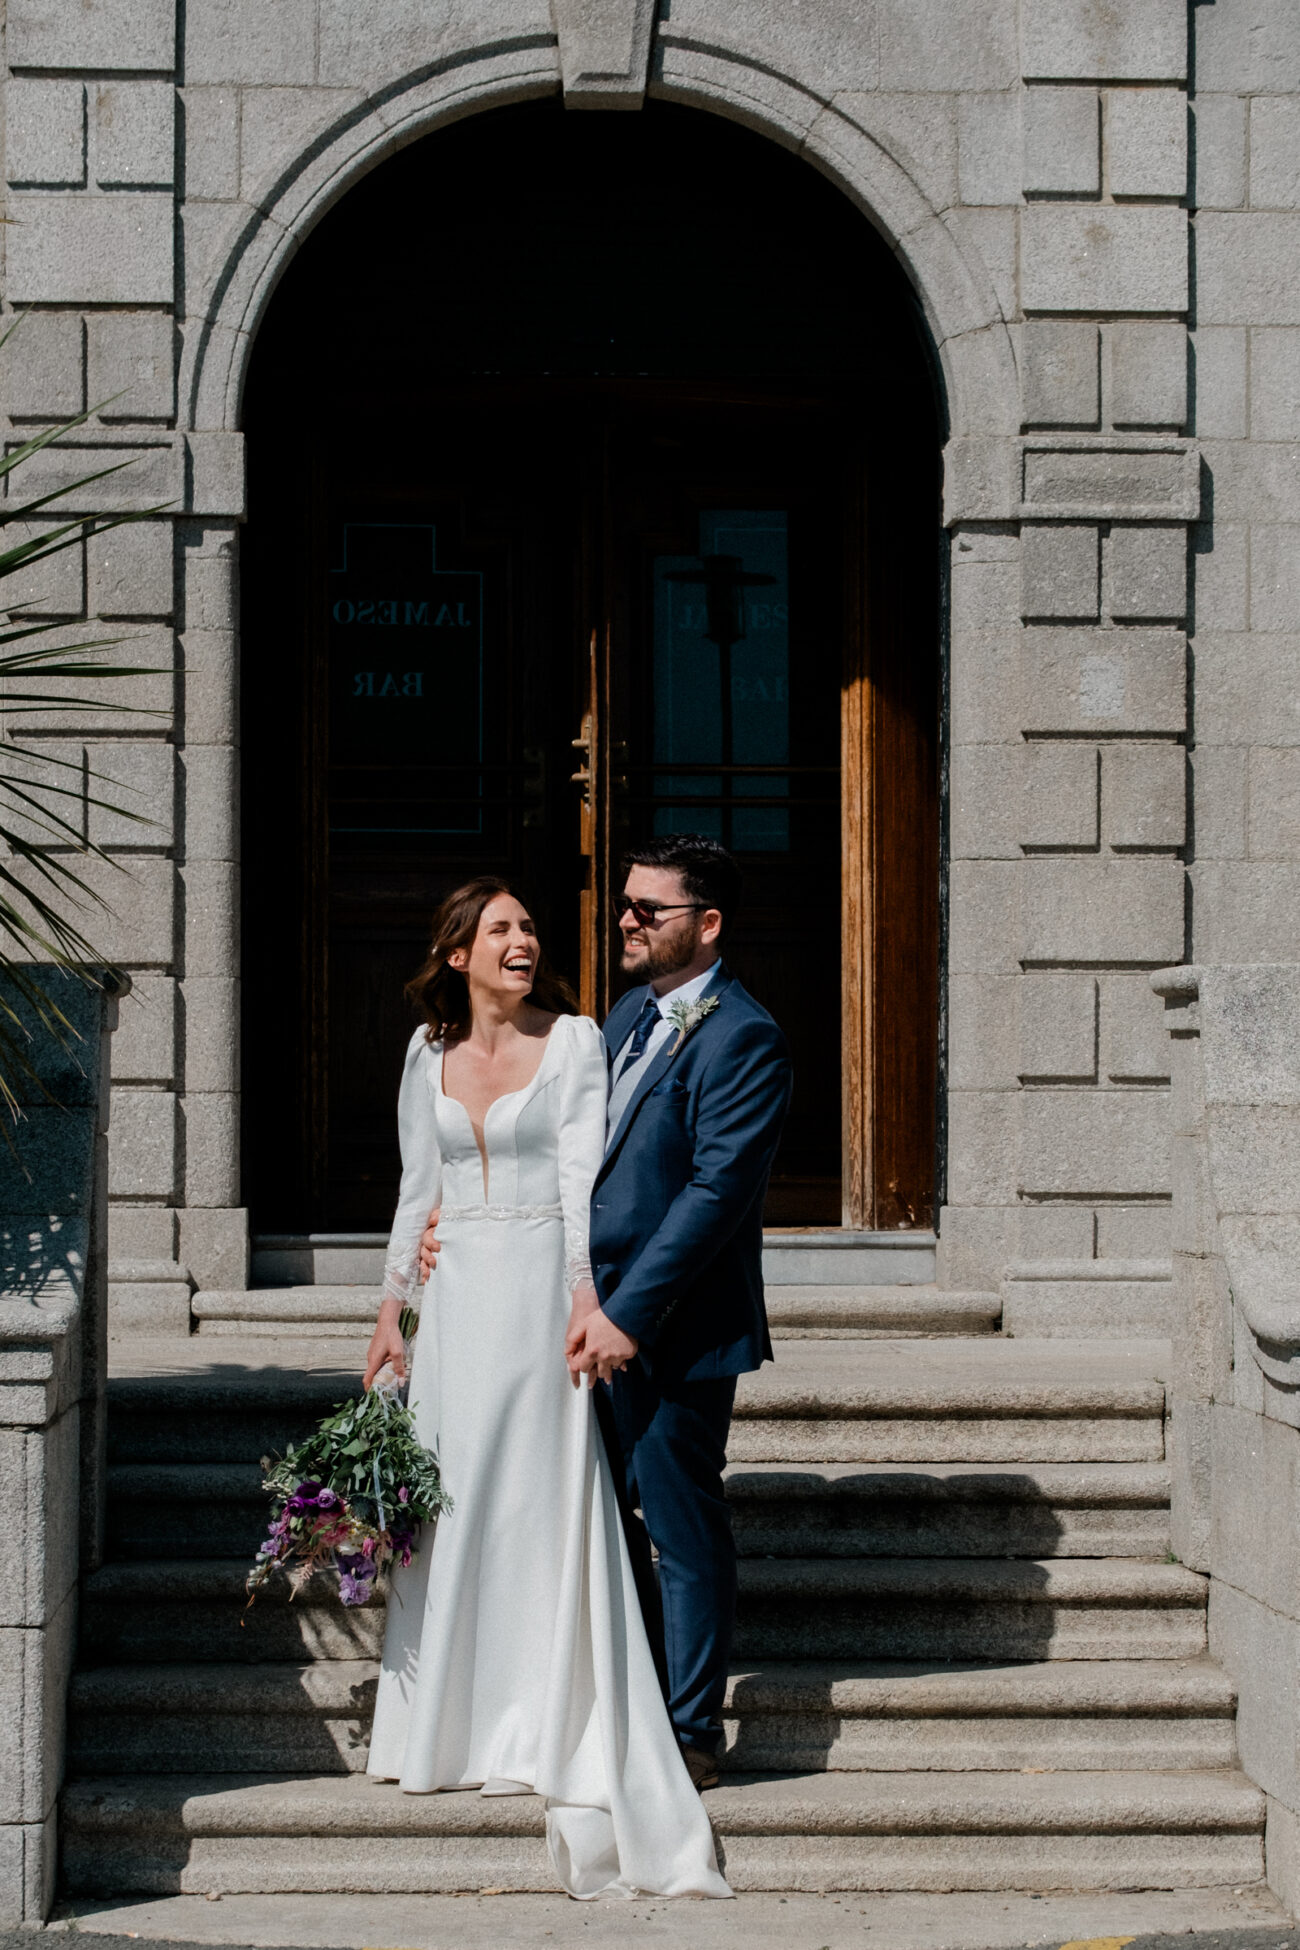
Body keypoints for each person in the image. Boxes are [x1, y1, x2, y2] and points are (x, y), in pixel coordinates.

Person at [362, 876, 729, 1901]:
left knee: (533, 1502)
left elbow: (580, 1183)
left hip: (534, 1301)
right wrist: (390, 1314)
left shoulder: (570, 1041)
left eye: (527, 927)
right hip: (453, 1305)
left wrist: (586, 1298)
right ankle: (448, 1720)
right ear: (457, 955)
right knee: (457, 1503)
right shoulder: (424, 1055)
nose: (523, 940)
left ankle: (542, 1715)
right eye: (501, 929)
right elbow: (413, 1190)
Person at [565, 835, 793, 1789]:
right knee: (604, 1518)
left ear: (706, 925)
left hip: (678, 1330)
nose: (626, 919)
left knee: (682, 1527)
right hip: (595, 1319)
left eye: (647, 909)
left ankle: (694, 1730)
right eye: (625, 904)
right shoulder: (624, 1017)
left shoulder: (744, 1036)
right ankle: (634, 1704)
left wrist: (631, 1315)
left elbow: (714, 1194)